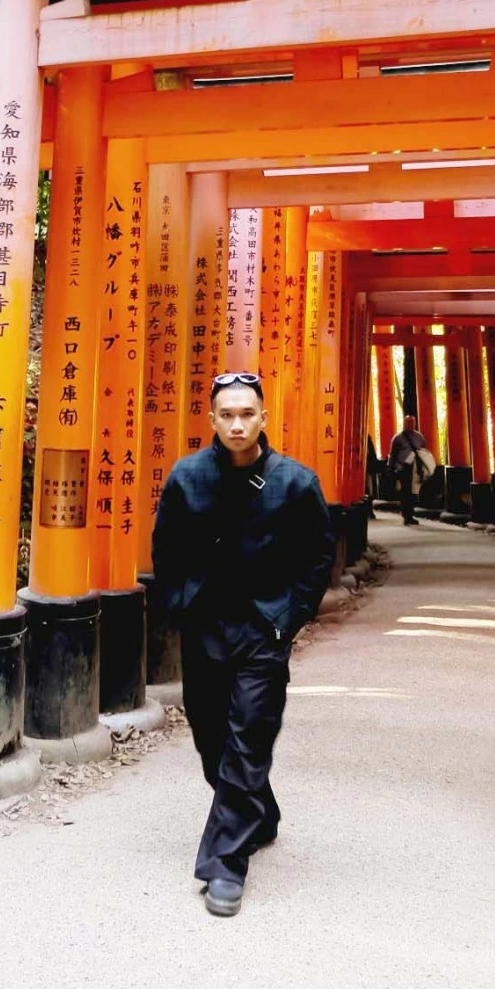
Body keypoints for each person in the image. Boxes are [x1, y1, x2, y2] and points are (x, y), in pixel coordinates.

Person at [151, 372, 334, 919]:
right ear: (211, 420)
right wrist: (182, 606)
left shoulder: (296, 483)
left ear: (263, 418)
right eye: (226, 414)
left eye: (246, 414)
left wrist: (288, 619)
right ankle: (260, 812)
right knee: (210, 736)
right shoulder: (187, 477)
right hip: (205, 624)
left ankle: (225, 865)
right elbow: (167, 548)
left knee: (250, 733)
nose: (236, 423)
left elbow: (318, 556)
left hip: (263, 629)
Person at [388, 412, 430, 525]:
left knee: (413, 493)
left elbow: (424, 452)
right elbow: (392, 455)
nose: (410, 424)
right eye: (408, 422)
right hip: (403, 468)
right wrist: (390, 469)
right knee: (405, 492)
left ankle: (410, 514)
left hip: (416, 468)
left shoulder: (419, 437)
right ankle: (406, 515)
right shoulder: (398, 438)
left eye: (412, 422)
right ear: (404, 423)